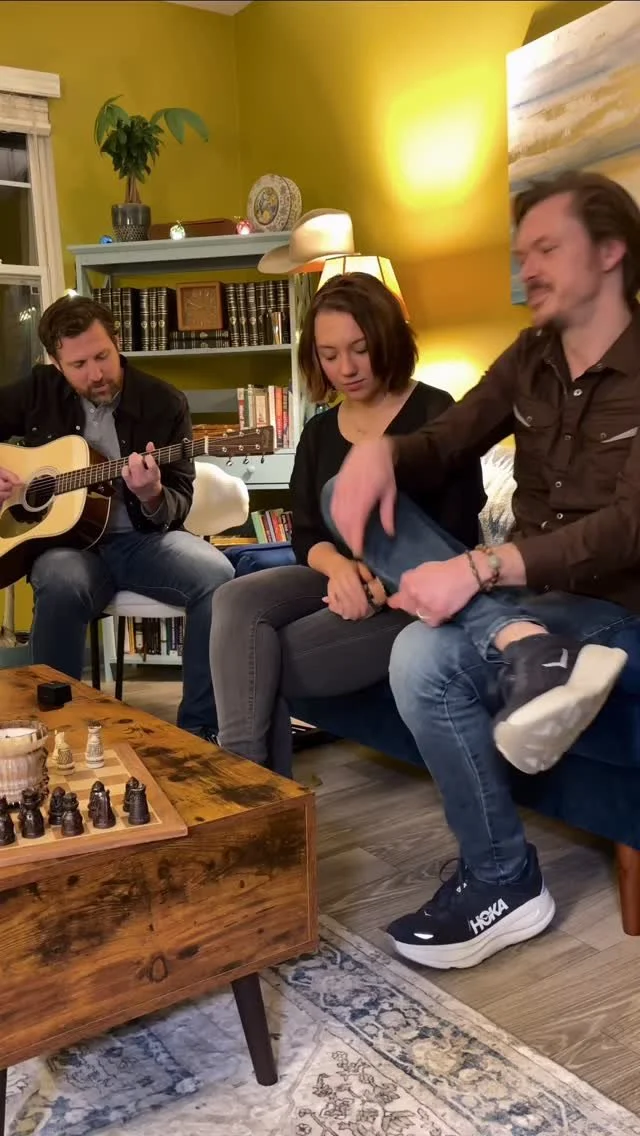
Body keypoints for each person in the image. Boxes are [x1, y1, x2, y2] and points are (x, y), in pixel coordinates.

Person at [327, 170, 639, 971]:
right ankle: (523, 648)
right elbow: (448, 438)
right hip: (537, 604)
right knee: (342, 489)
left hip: (618, 608)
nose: (527, 268)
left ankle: (501, 874)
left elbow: (628, 530)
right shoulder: (531, 355)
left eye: (546, 248)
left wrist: (481, 566)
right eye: (521, 251)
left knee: (421, 654)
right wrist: (381, 454)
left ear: (610, 252)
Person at [210, 272, 485, 776]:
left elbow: (458, 534)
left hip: (416, 592)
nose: (346, 368)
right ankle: (247, 781)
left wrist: (376, 587)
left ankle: (252, 792)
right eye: (329, 354)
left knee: (260, 659)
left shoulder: (437, 413)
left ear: (388, 339)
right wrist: (338, 569)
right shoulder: (319, 431)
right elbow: (307, 532)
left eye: (360, 349)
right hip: (341, 574)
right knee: (232, 598)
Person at [0, 295, 233, 738]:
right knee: (60, 581)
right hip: (67, 546)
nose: (96, 374)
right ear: (56, 364)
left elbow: (181, 496)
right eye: (79, 364)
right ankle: (56, 730)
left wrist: (152, 495)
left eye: (103, 356)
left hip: (144, 541)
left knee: (218, 578)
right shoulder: (38, 390)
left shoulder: (164, 402)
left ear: (118, 341)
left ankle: (200, 730)